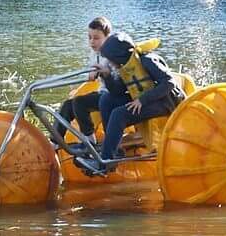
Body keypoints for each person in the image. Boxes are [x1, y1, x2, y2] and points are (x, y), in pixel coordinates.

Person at [69, 17, 185, 177]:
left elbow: (169, 83)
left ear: (120, 56)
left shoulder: (147, 60)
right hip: (143, 97)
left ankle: (105, 162)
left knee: (119, 114)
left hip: (165, 102)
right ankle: (112, 151)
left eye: (112, 61)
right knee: (106, 99)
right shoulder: (127, 66)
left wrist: (142, 101)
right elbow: (117, 92)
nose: (111, 63)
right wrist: (108, 76)